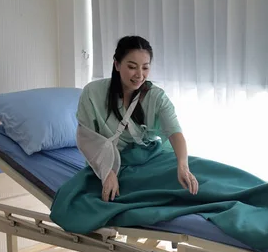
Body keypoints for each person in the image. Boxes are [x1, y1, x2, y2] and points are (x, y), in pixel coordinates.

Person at [75, 35, 199, 202]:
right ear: (117, 64)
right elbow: (86, 139)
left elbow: (175, 132)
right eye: (132, 67)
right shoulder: (92, 93)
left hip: (148, 158)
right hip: (111, 164)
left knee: (202, 172)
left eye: (145, 68)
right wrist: (107, 173)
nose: (139, 75)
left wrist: (183, 166)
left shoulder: (156, 97)